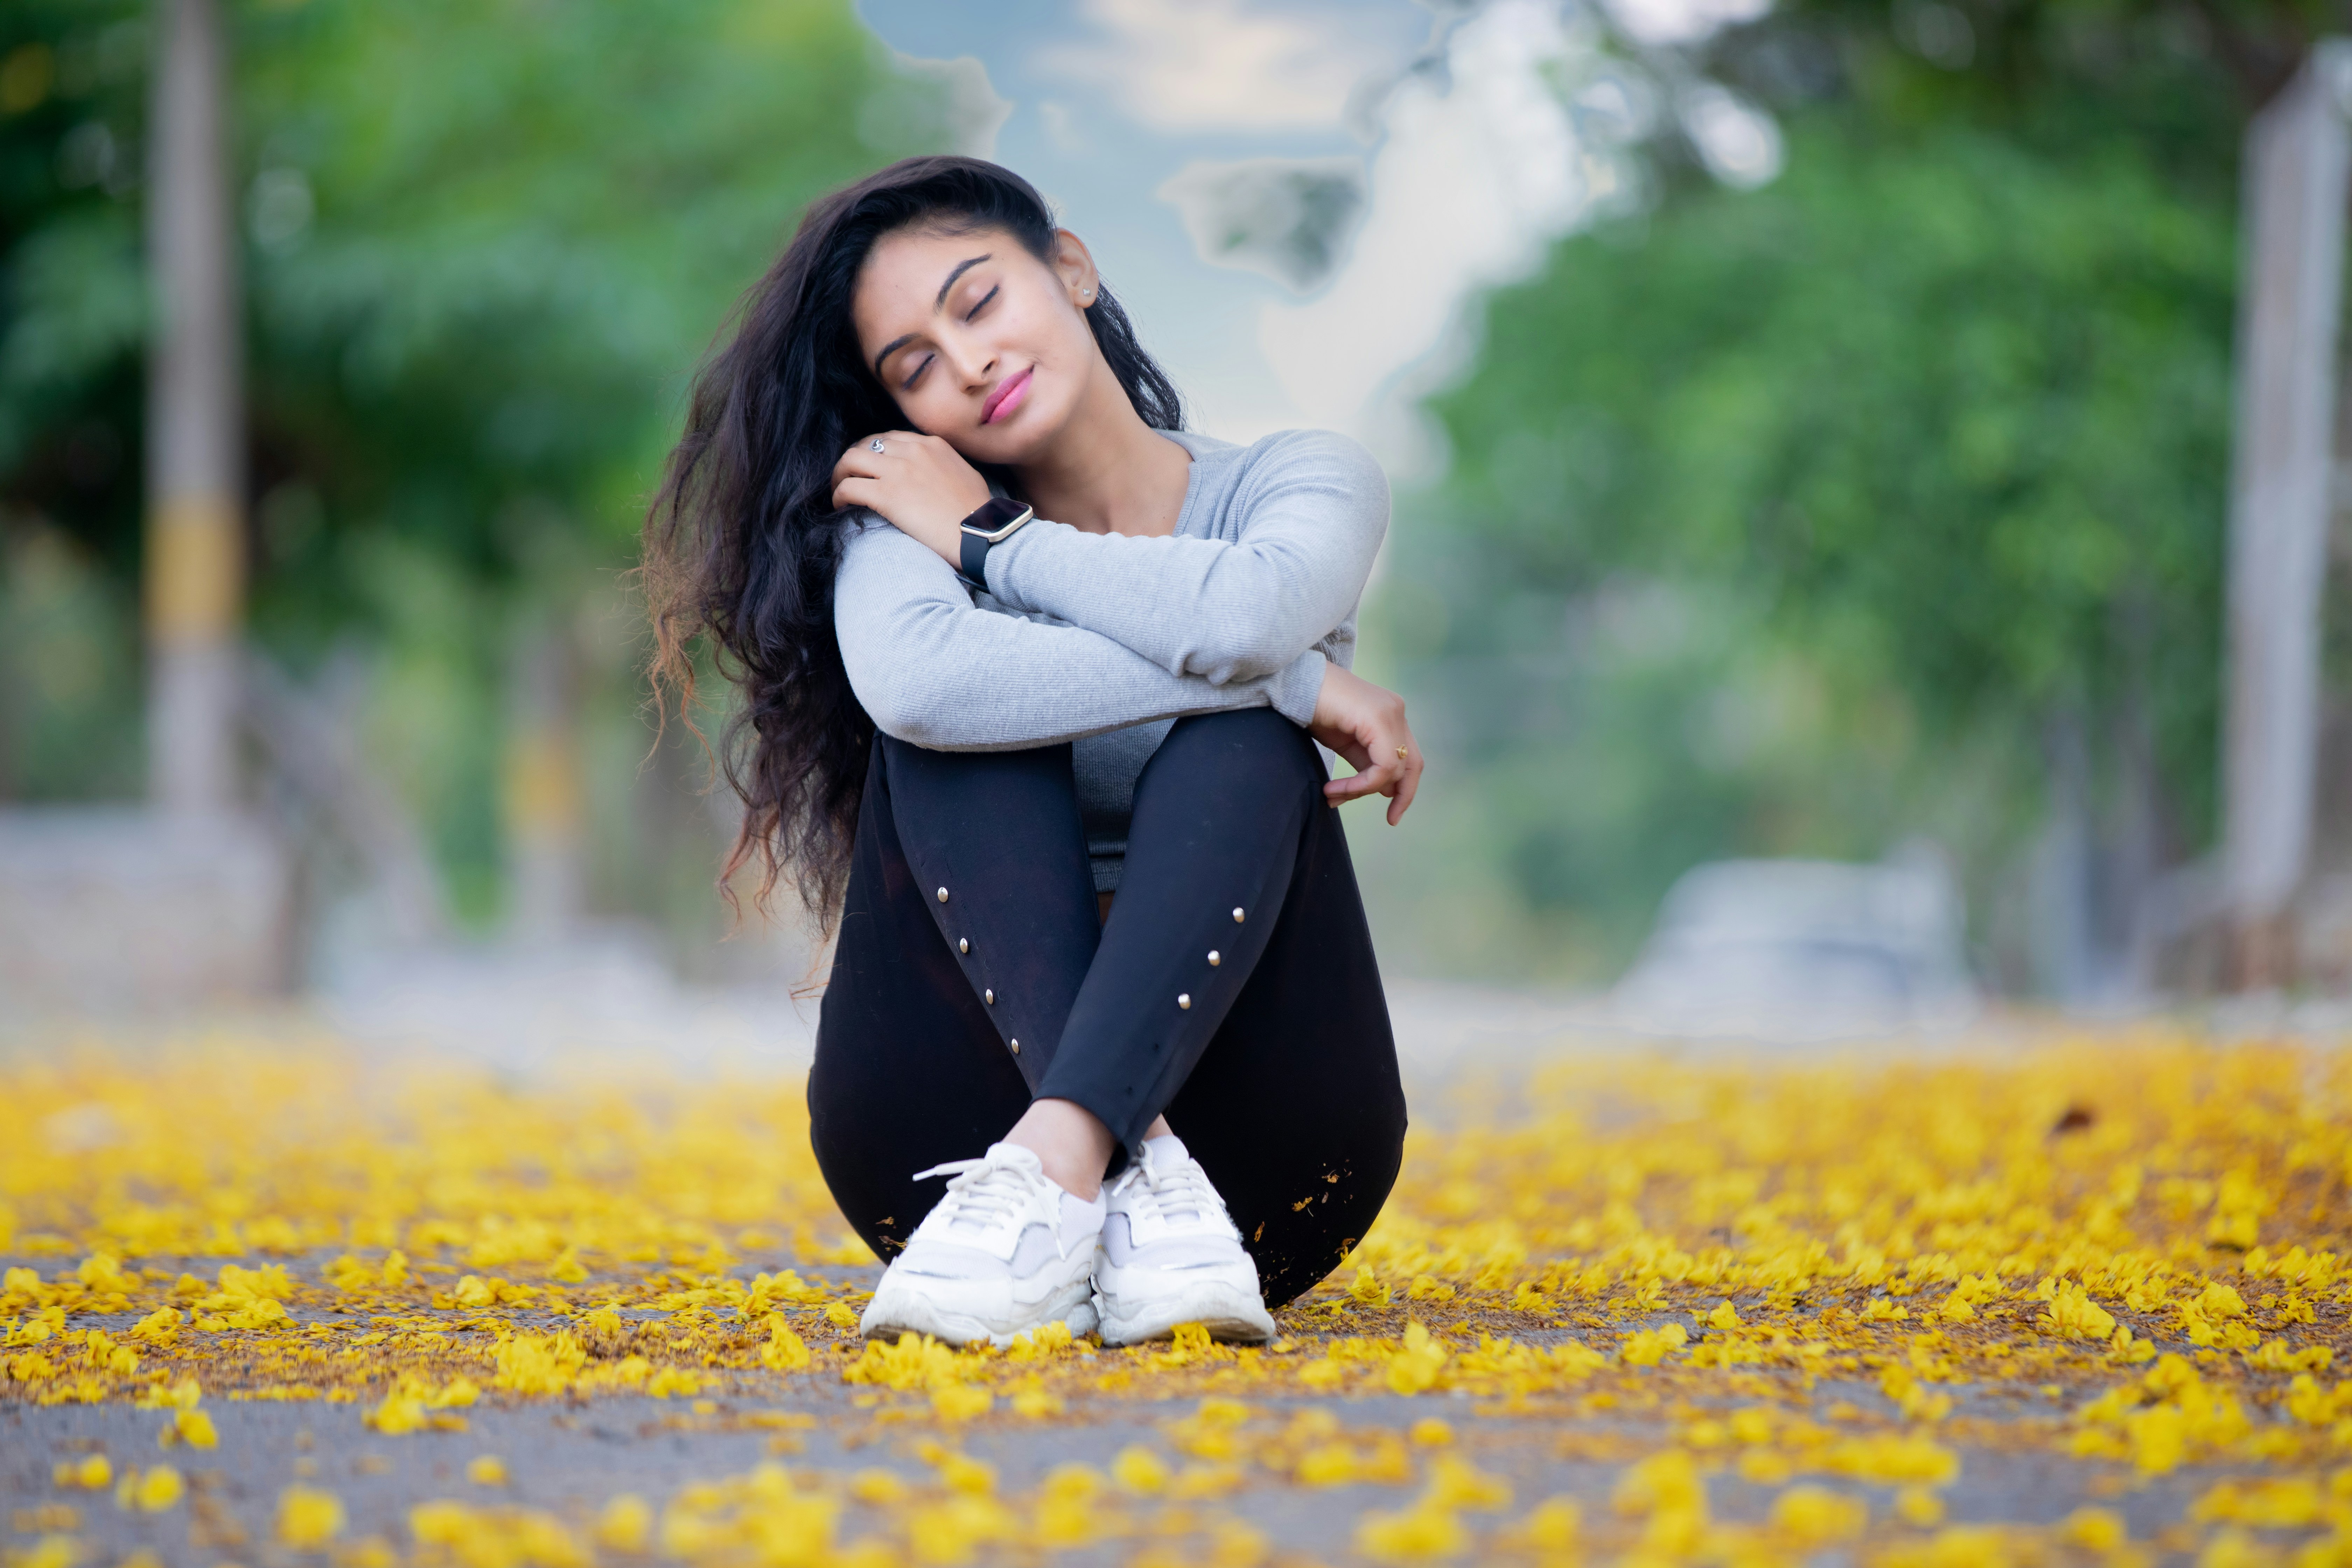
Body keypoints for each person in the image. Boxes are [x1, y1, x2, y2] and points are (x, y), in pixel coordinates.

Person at [641, 156, 1422, 1348]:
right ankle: (1089, 1161)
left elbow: (1253, 611)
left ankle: (1091, 1160)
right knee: (956, 730)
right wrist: (1298, 679)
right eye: (915, 368)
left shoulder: (1295, 483)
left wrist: (996, 542)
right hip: (955, 1179)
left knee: (1249, 749)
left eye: (979, 303)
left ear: (1070, 268)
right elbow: (928, 686)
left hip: (1268, 1176)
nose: (968, 366)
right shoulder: (908, 507)